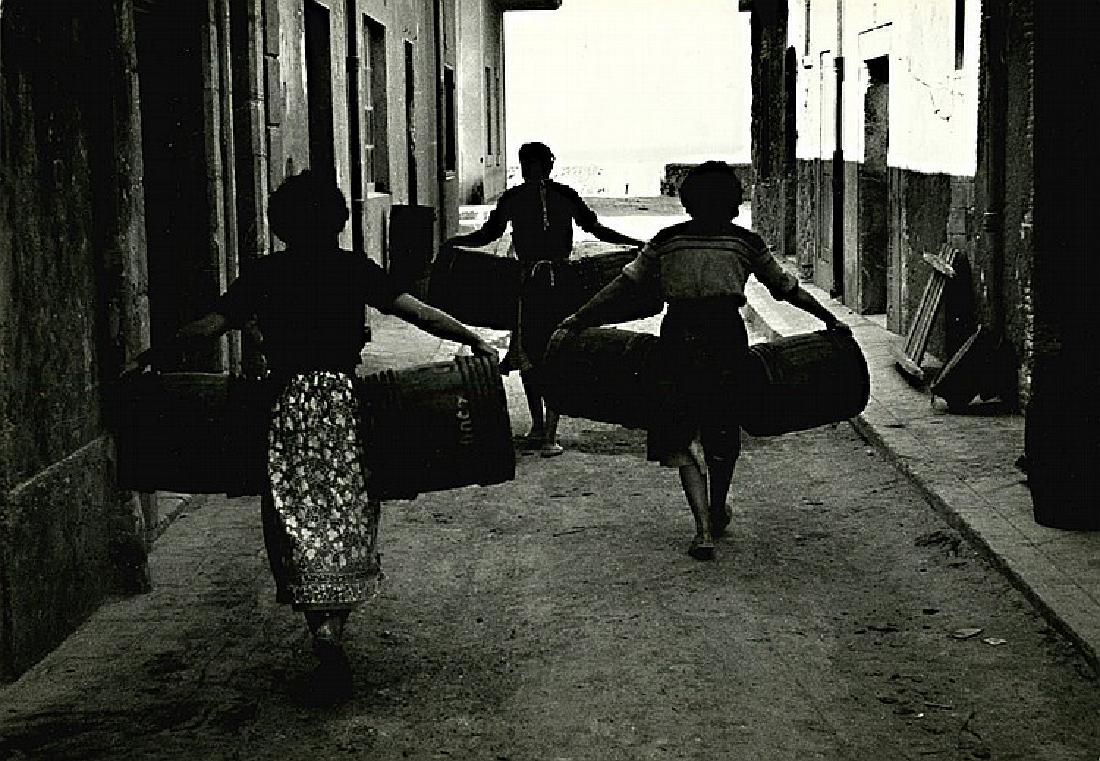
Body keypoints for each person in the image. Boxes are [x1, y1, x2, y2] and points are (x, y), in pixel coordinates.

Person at [138, 170, 495, 702]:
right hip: (345, 405)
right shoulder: (353, 268)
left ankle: (317, 626)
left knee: (292, 516)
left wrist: (150, 357)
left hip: (283, 407)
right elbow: (419, 314)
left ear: (281, 224)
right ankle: (334, 624)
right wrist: (474, 339)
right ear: (336, 220)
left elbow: (210, 325)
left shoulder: (265, 274)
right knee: (350, 512)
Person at [558, 161, 849, 560]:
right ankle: (717, 506)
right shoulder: (745, 243)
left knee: (678, 432)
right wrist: (829, 318)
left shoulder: (666, 241)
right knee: (722, 430)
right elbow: (787, 290)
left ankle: (702, 530)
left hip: (678, 339)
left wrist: (578, 319)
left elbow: (621, 288)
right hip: (726, 339)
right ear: (733, 202)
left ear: (688, 202)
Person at [444, 141, 644, 457]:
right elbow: (599, 231)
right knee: (554, 352)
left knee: (531, 354)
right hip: (559, 284)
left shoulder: (516, 197)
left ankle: (542, 428)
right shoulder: (563, 196)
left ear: (530, 166)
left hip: (529, 286)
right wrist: (636, 244)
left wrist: (455, 243)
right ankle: (546, 432)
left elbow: (487, 236)